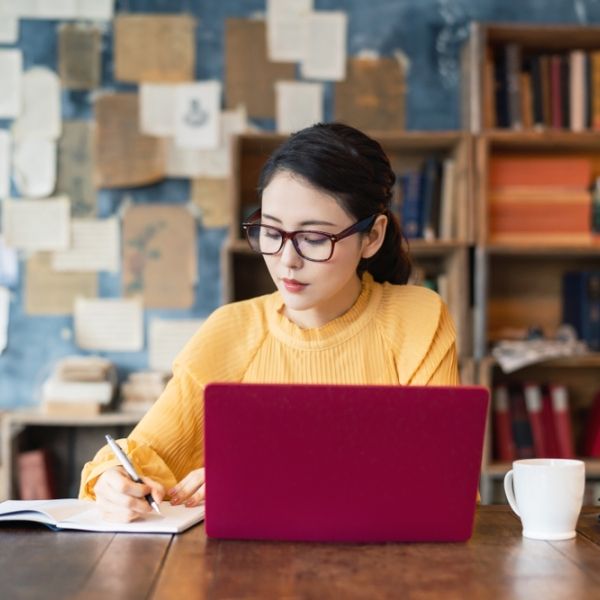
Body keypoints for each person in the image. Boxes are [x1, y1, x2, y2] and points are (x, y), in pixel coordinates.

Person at [79, 122, 459, 522]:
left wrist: (262, 479)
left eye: (314, 238)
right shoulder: (230, 330)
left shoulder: (418, 318)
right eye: (271, 231)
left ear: (373, 237)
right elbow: (146, 452)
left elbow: (440, 477)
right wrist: (111, 479)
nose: (286, 260)